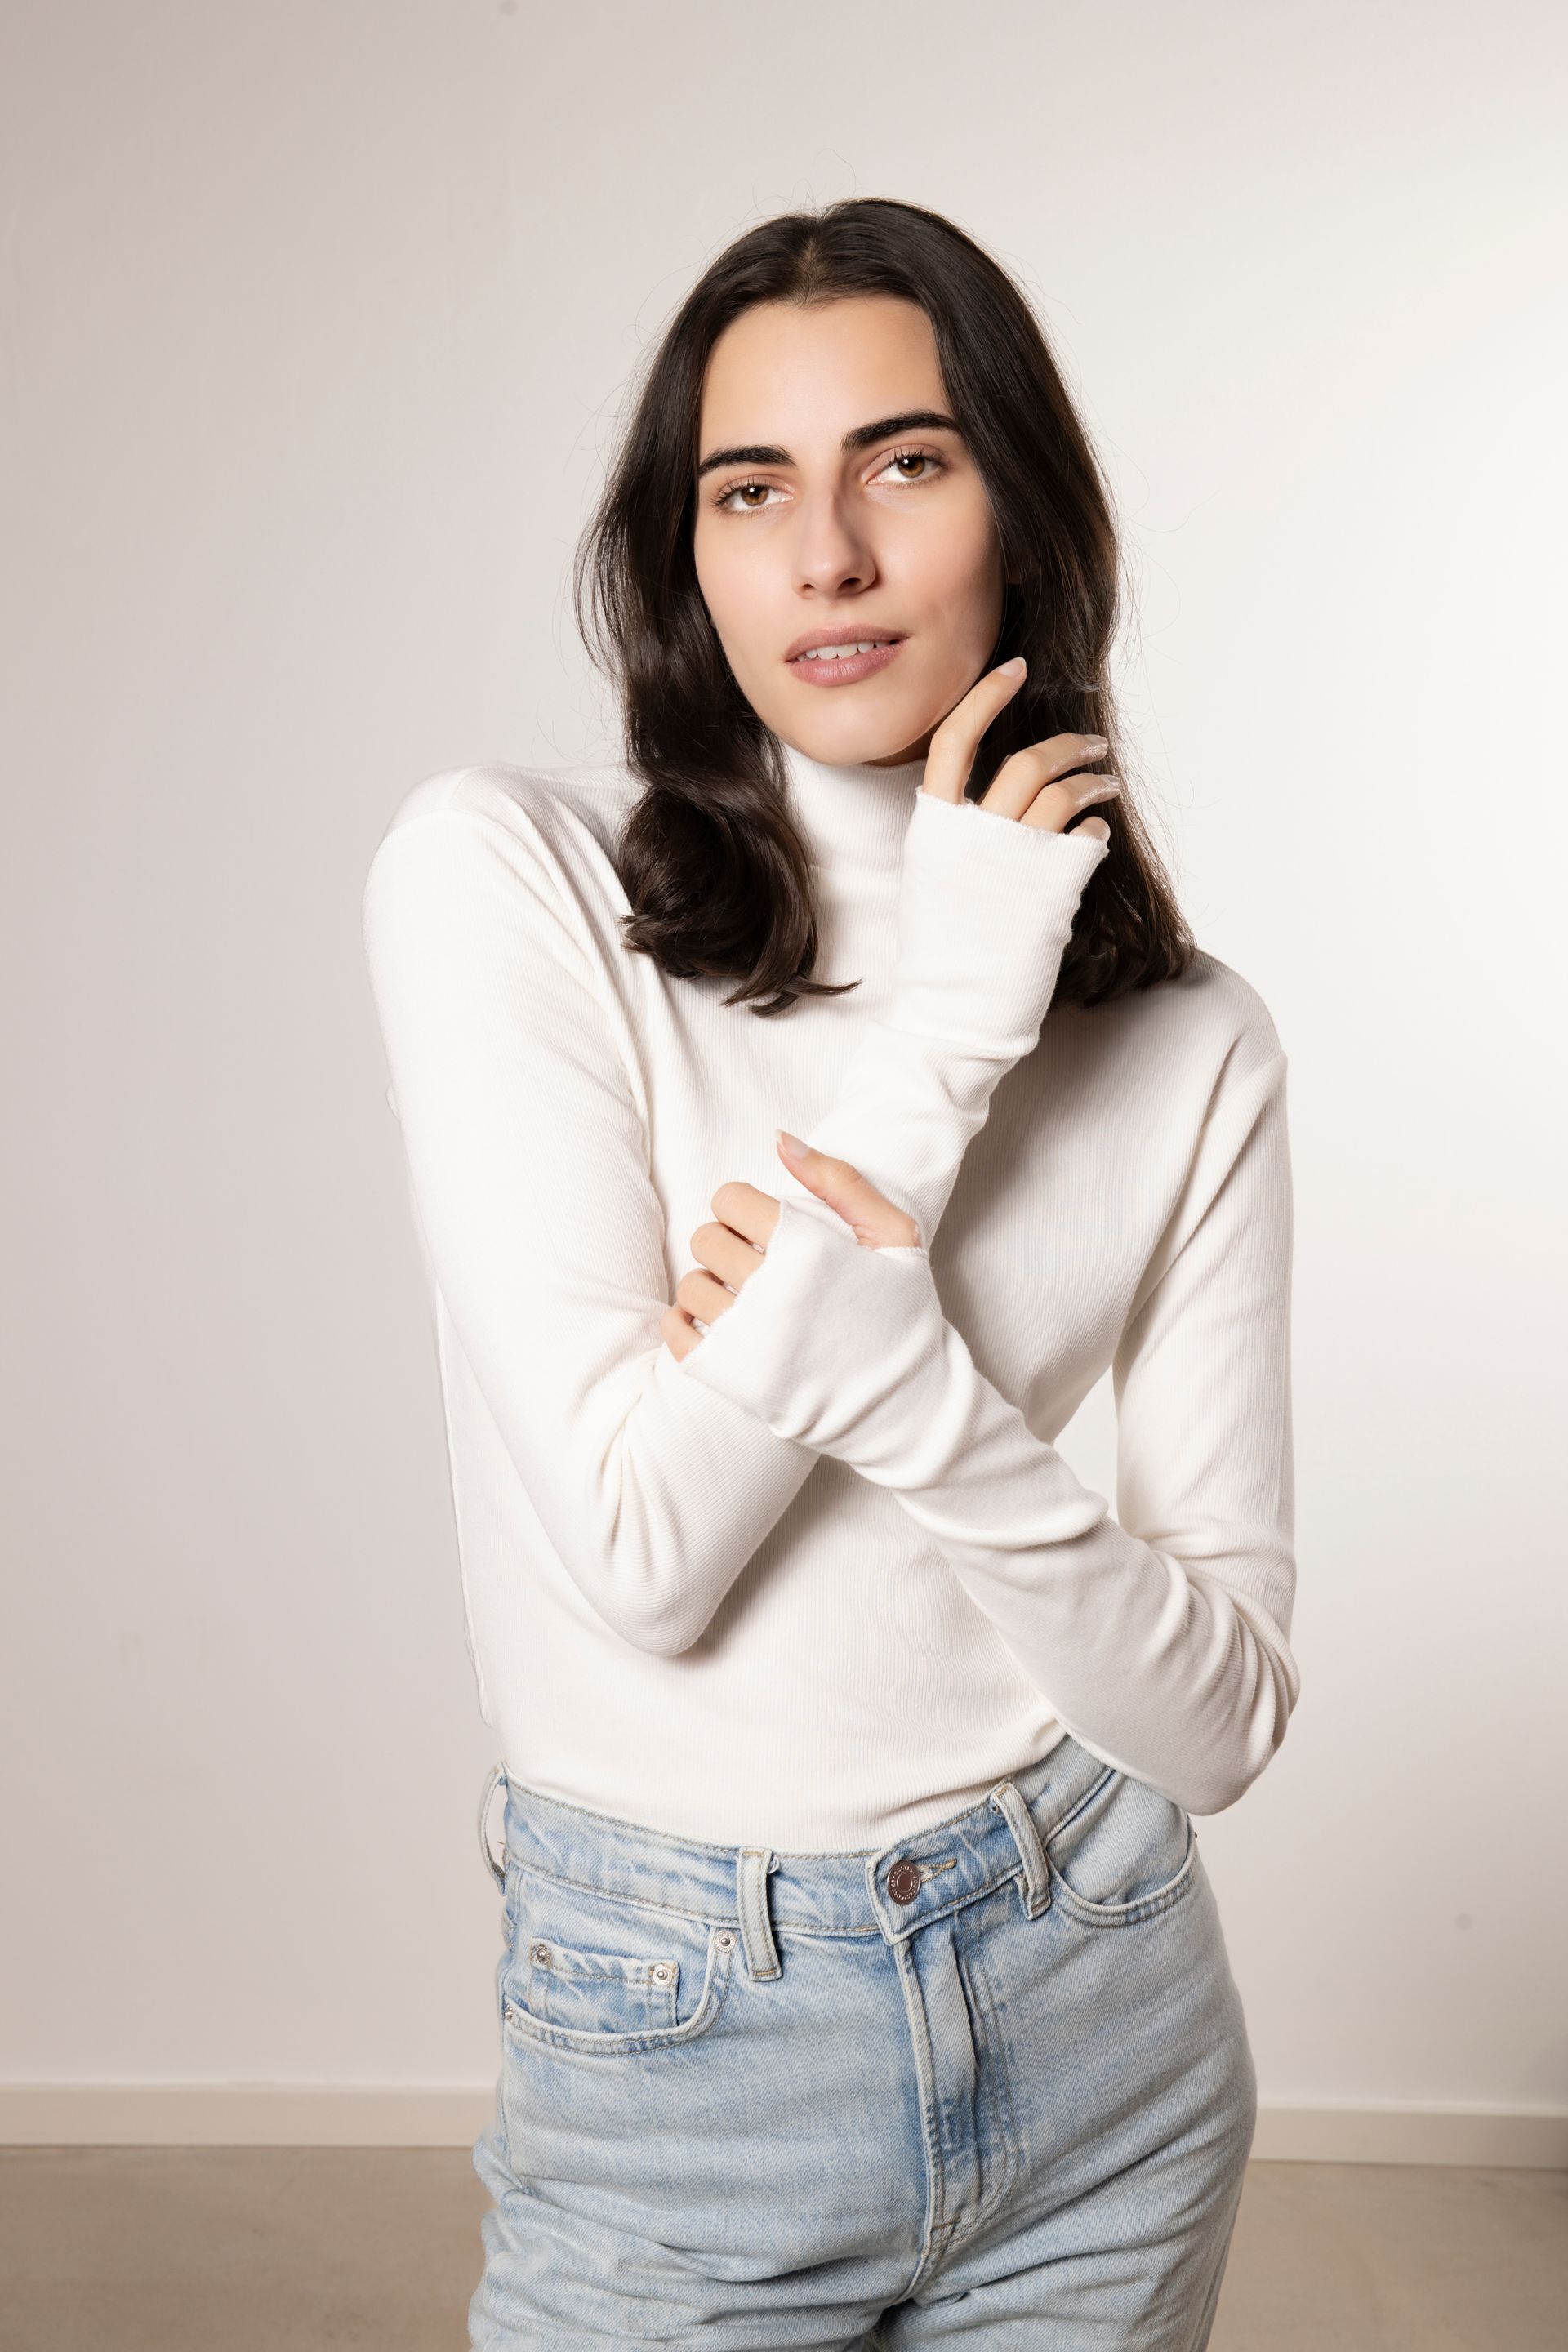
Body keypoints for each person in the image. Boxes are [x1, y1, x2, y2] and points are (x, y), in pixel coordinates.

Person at [361, 195, 1298, 2351]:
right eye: (750, 488)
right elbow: (646, 1551)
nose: (831, 557)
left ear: (1023, 514)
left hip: (1106, 2029)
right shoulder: (513, 879)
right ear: (685, 556)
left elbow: (1222, 1718)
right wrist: (953, 1024)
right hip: (676, 2055)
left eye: (907, 462)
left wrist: (913, 1396)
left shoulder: (1191, 1043)